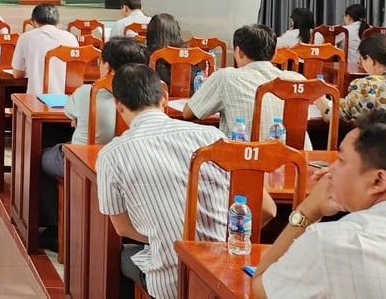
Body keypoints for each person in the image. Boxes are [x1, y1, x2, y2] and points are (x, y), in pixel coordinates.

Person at [98, 64, 275, 299]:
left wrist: (170, 236)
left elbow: (122, 228)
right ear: (164, 97)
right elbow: (268, 209)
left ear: (118, 105)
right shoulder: (213, 137)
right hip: (228, 273)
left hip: (172, 281)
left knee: (118, 255)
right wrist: (226, 241)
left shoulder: (112, 155)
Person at [254, 112, 386, 298]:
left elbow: (262, 287)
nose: (330, 169)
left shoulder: (331, 242)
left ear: (378, 181)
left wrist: (308, 211)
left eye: (341, 161)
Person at [42, 37, 148, 178]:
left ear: (107, 66)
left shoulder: (88, 92)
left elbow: (68, 111)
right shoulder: (149, 96)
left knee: (45, 156)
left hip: (85, 162)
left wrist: (78, 117)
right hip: (131, 163)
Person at [184, 25, 310, 142]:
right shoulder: (297, 79)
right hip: (297, 162)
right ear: (274, 54)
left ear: (239, 52)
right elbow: (326, 105)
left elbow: (188, 113)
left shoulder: (225, 77)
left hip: (245, 162)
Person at [11, 4, 78, 95]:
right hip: (67, 101)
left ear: (33, 22)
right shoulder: (71, 38)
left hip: (35, 101)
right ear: (57, 22)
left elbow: (17, 74)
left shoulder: (26, 37)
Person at [145, 13, 192, 89]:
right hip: (190, 99)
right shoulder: (192, 55)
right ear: (177, 32)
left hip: (158, 98)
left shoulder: (148, 58)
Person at [336, 3, 367, 70]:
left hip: (349, 68)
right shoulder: (371, 29)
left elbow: (327, 42)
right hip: (369, 69)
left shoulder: (344, 30)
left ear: (349, 17)